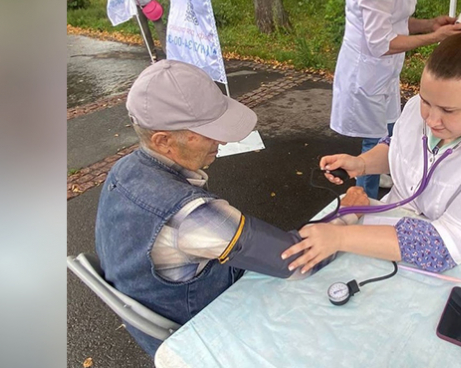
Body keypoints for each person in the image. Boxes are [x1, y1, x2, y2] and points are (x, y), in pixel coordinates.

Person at [95, 60, 346, 356]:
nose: (223, 140)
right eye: (208, 132)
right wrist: (347, 214)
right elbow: (297, 260)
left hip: (154, 309)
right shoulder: (191, 215)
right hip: (200, 326)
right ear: (163, 141)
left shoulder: (123, 170)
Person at [283, 26, 461, 275]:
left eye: (448, 110)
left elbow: (441, 245)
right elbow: (401, 147)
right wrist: (361, 164)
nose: (432, 120)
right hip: (423, 225)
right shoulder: (420, 109)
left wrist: (340, 237)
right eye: (426, 101)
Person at [330, 0, 461, 201]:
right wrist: (436, 37)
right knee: (374, 139)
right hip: (367, 71)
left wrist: (431, 24)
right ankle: (363, 202)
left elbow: (397, 21)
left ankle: (382, 182)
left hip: (384, 72)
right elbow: (381, 42)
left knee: (392, 130)